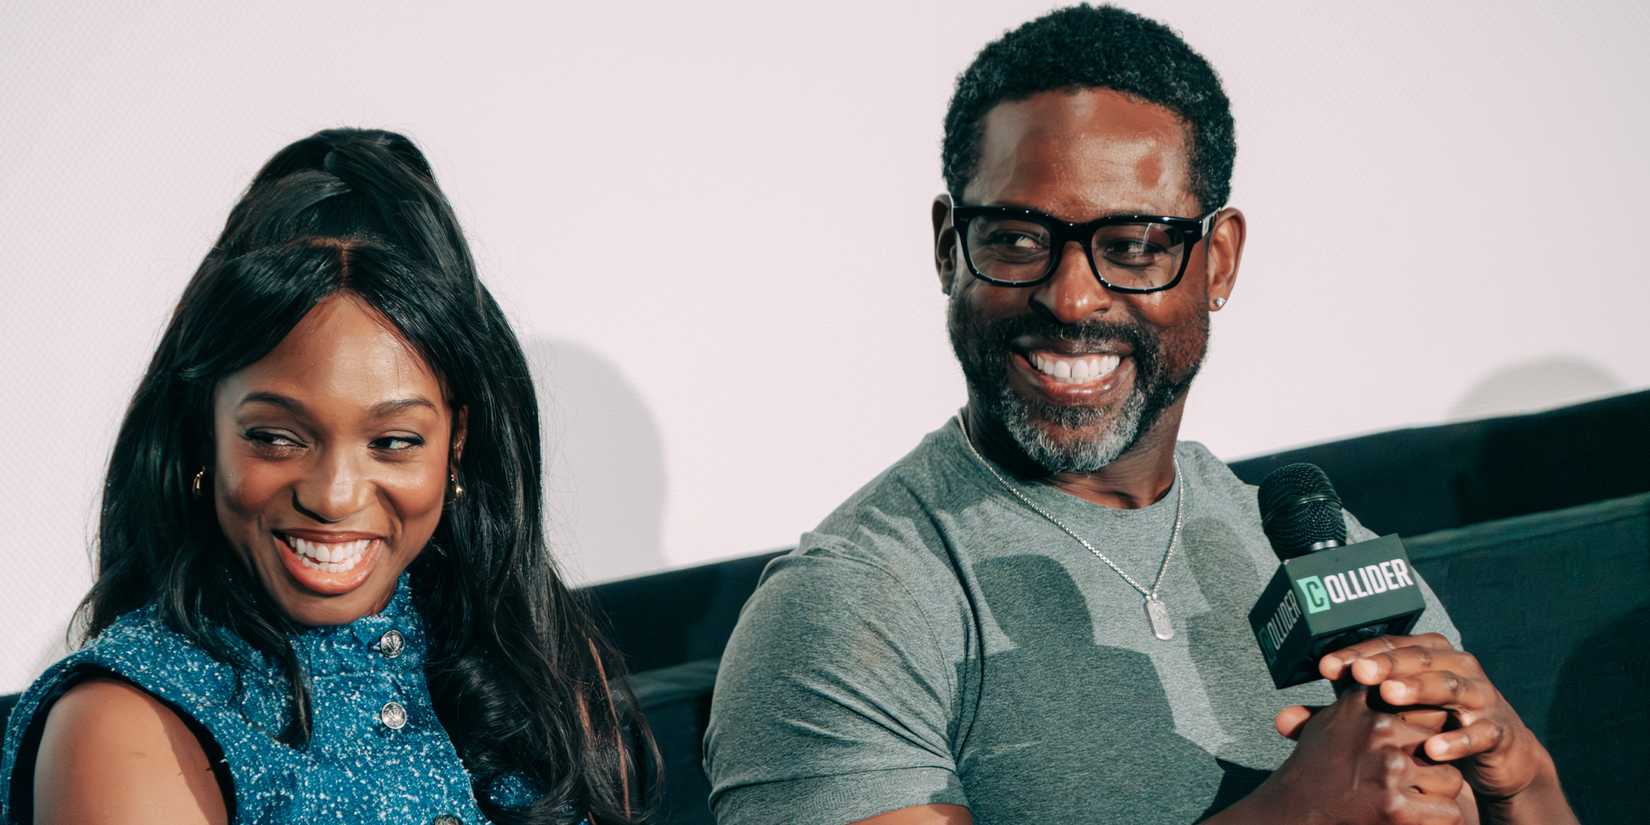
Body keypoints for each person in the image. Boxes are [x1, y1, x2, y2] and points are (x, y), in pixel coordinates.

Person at [703, 6, 1576, 825]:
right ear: (946, 249)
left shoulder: (1323, 548)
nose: (1072, 295)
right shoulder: (851, 604)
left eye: (1133, 245)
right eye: (1015, 237)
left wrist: (1524, 778)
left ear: (1219, 260)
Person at [0, 129, 650, 825]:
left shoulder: (533, 661)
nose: (334, 494)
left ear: (456, 441)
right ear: (203, 432)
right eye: (276, 437)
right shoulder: (125, 723)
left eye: (394, 440)